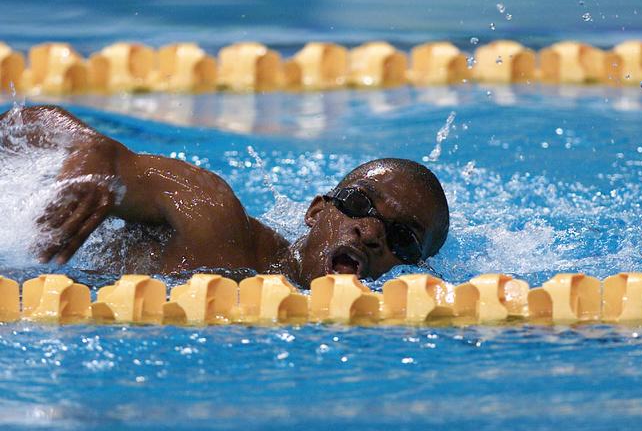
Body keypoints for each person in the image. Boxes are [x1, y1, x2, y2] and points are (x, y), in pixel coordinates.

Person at [0, 105, 449, 288]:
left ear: (415, 269)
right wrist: (95, 154)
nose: (369, 231)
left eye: (402, 238)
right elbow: (21, 124)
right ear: (316, 212)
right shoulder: (213, 220)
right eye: (358, 203)